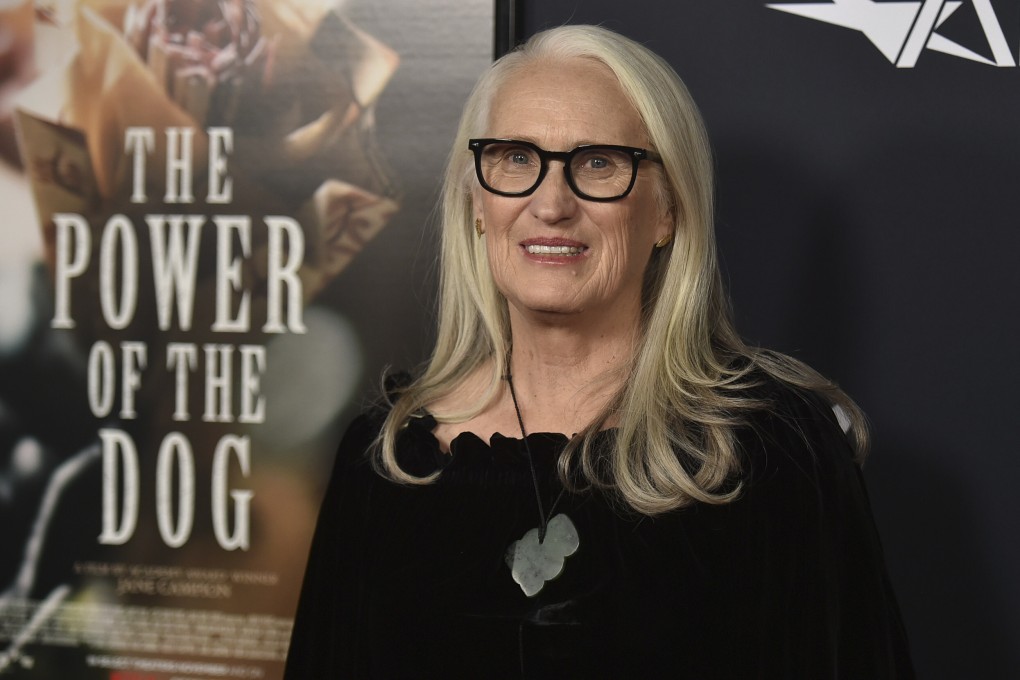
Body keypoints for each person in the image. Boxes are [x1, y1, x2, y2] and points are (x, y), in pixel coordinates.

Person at [283, 25, 914, 679]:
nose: (551, 203)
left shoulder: (772, 454)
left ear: (668, 209)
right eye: (516, 158)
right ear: (476, 200)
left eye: (598, 163)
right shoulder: (387, 462)